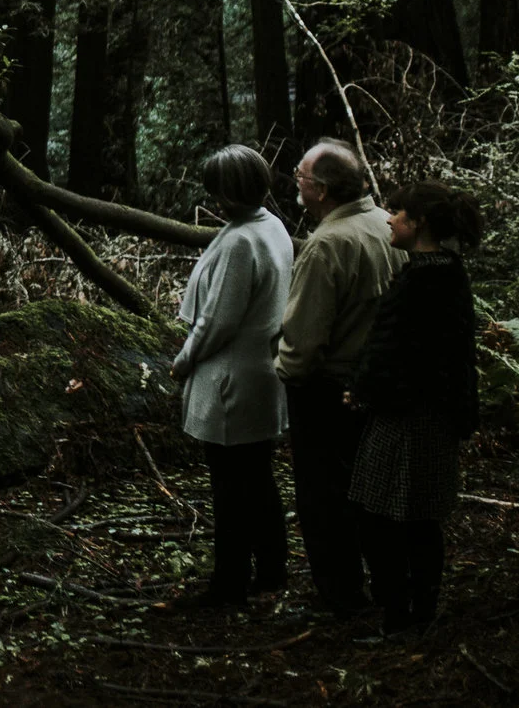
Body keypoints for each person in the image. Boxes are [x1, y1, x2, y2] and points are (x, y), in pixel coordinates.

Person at [346, 181, 483, 638]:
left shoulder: (425, 278)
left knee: (386, 517)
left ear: (418, 223)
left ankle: (402, 616)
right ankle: (413, 611)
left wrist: (364, 389)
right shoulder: (443, 271)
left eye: (398, 212)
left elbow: (401, 351)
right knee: (413, 518)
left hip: (413, 415)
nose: (389, 218)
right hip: (427, 411)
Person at [277, 140, 402, 614]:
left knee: (323, 496)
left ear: (323, 190)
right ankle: (383, 585)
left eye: (301, 175)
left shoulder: (327, 245)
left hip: (327, 390)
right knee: (372, 490)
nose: (295, 180)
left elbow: (305, 339)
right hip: (379, 385)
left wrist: (286, 374)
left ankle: (339, 595)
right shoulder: (388, 223)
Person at [169, 144, 295, 608]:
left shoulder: (243, 240)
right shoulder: (270, 226)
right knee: (256, 480)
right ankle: (271, 570)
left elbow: (217, 321)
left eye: (218, 190)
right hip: (260, 372)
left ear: (230, 191)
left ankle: (229, 585)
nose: (213, 199)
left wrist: (183, 360)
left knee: (232, 489)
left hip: (232, 380)